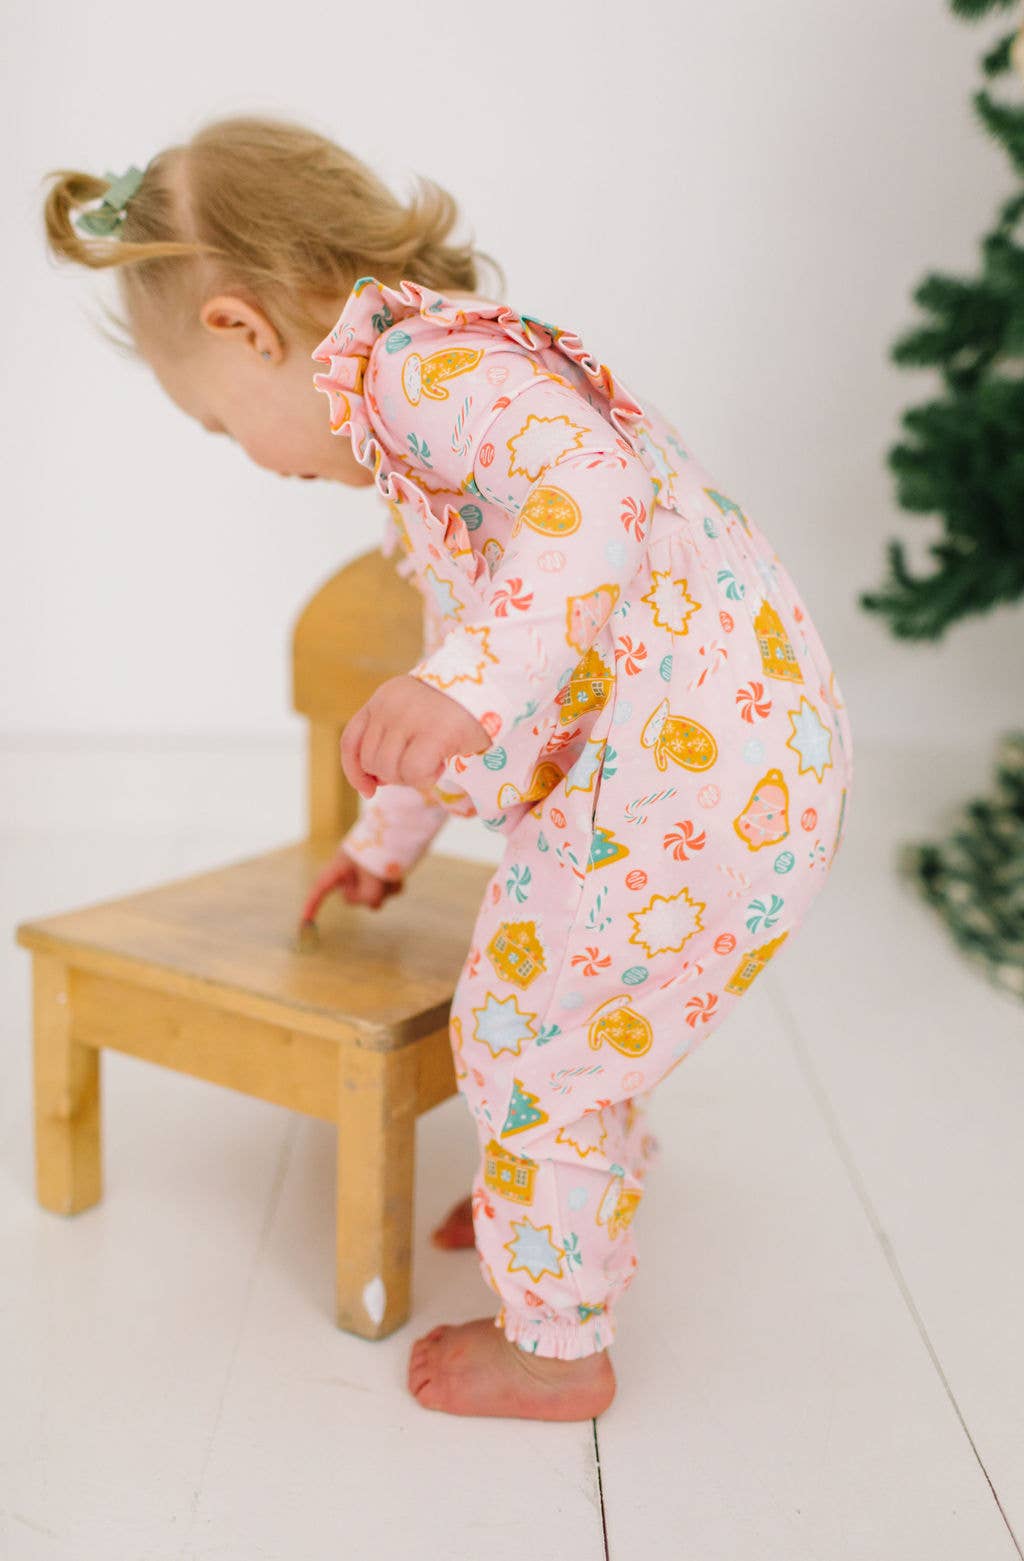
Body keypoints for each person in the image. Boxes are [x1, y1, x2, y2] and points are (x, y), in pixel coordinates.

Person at [43, 113, 854, 1424]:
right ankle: (559, 1188)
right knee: (566, 1026)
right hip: (693, 772)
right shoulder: (427, 420)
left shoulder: (431, 376)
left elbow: (588, 497)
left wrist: (458, 686)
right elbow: (479, 645)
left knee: (530, 1044)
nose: (234, 446)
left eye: (211, 420)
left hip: (692, 785)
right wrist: (387, 839)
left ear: (247, 330)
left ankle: (557, 1341)